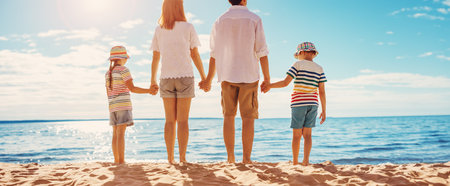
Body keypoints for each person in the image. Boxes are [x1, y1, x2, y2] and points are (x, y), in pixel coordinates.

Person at [201, 0, 271, 164]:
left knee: (228, 117)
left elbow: (214, 54)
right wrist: (267, 78)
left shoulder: (219, 20)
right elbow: (262, 51)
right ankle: (246, 158)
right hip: (249, 75)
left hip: (227, 75)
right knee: (248, 118)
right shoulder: (254, 19)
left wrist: (208, 80)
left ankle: (230, 158)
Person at [149, 0, 207, 164]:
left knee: (169, 121)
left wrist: (152, 81)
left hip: (166, 78)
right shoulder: (188, 27)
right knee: (182, 121)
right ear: (180, 6)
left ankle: (170, 159)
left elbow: (155, 57)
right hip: (185, 77)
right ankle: (182, 158)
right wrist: (204, 77)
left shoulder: (159, 29)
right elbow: (195, 54)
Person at [264, 42, 327, 166]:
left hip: (298, 103)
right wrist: (324, 110)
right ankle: (306, 161)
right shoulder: (319, 68)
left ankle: (294, 162)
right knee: (308, 135)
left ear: (302, 53)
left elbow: (285, 83)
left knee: (297, 135)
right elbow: (322, 91)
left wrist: (269, 85)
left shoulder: (297, 64)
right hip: (313, 104)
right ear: (313, 53)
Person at [105, 46, 152, 164]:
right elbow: (132, 88)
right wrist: (149, 90)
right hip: (123, 105)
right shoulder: (123, 70)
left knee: (115, 133)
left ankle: (116, 160)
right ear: (122, 58)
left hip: (112, 107)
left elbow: (108, 93)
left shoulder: (108, 73)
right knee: (121, 133)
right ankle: (121, 161)